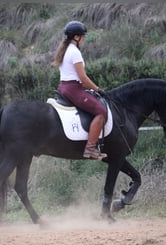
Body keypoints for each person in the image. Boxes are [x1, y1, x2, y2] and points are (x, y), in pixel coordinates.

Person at [52, 20, 107, 160]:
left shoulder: (65, 50)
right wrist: (98, 89)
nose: (84, 39)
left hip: (64, 87)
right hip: (73, 89)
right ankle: (90, 149)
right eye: (83, 36)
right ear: (76, 37)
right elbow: (83, 78)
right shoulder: (74, 52)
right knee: (101, 111)